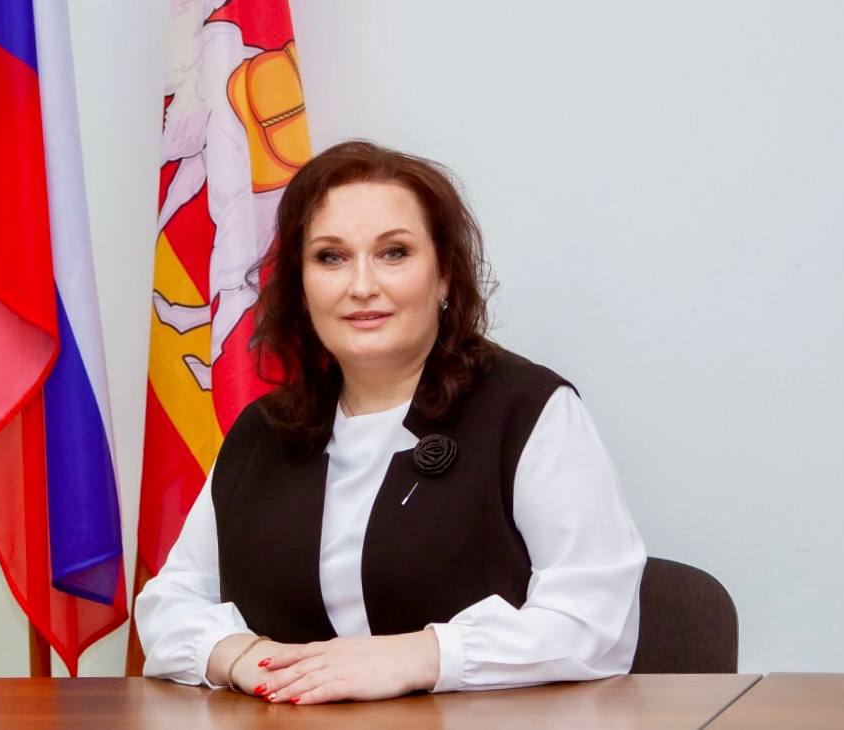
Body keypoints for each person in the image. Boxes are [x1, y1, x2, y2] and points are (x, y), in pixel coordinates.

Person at [135, 140, 646, 705]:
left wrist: (420, 656)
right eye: (330, 257)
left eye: (393, 253)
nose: (361, 286)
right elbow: (168, 604)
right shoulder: (263, 431)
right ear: (301, 285)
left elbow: (596, 621)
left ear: (444, 275)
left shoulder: (529, 410)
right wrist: (243, 657)